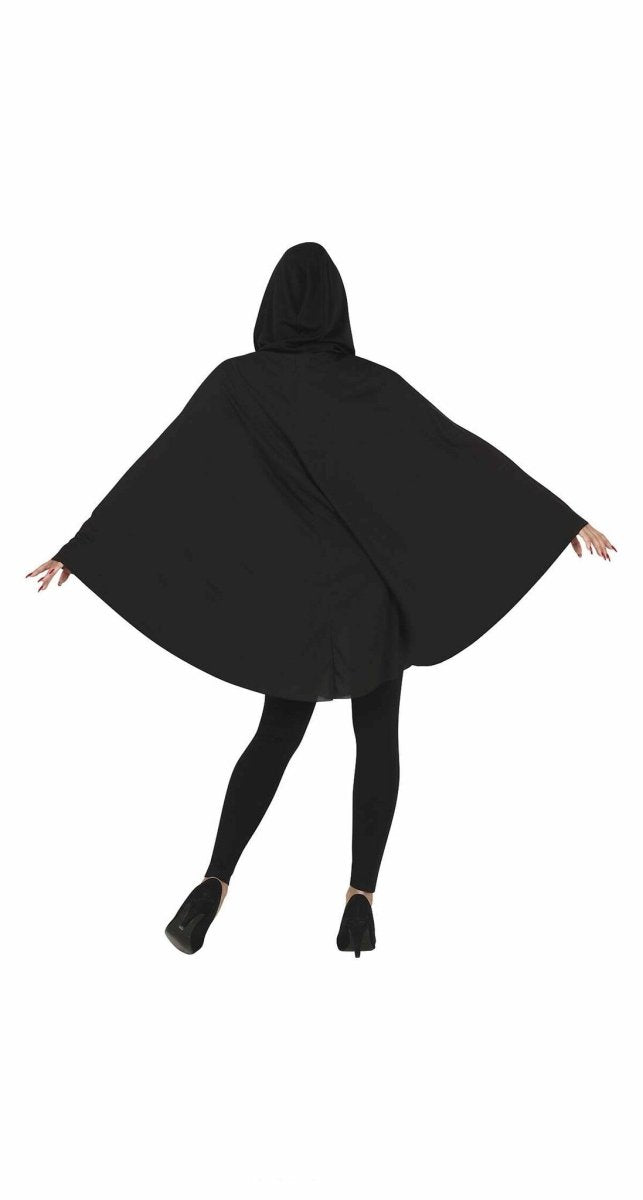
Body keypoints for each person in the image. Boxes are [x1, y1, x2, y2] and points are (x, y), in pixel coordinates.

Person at [26, 242, 616, 957]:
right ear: (338, 307)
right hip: (370, 603)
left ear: (270, 306)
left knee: (275, 736)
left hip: (293, 606)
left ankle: (213, 882)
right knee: (377, 737)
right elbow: (453, 455)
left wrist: (85, 549)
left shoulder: (238, 385)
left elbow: (168, 472)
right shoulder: (369, 386)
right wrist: (554, 518)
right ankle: (359, 901)